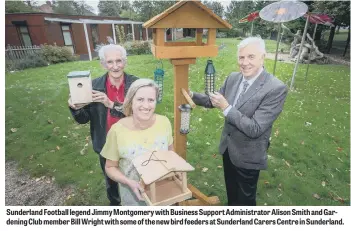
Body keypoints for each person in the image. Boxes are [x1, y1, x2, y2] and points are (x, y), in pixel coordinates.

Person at [191, 37, 288, 206]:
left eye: (251, 57)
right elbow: (213, 100)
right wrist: (191, 95)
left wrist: (227, 107)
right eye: (241, 57)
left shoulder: (275, 88)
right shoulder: (234, 78)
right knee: (232, 194)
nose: (244, 63)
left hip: (248, 154)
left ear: (262, 57)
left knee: (245, 200)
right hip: (228, 149)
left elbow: (256, 128)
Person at [68, 44, 138, 206]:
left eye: (119, 61)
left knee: (134, 178)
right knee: (111, 181)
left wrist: (111, 104)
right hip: (106, 144)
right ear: (103, 64)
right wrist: (75, 108)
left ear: (125, 62)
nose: (115, 66)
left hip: (133, 141)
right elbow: (83, 119)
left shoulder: (135, 85)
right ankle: (115, 207)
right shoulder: (93, 86)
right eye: (110, 62)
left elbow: (140, 114)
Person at [100, 79, 174, 206]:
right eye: (140, 99)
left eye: (151, 100)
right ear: (130, 102)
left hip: (162, 197)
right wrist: (128, 182)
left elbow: (170, 152)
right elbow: (110, 167)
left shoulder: (164, 122)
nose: (146, 105)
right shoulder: (117, 131)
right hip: (133, 200)